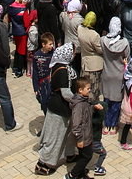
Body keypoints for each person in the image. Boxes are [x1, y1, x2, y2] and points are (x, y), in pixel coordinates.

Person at [35, 44, 77, 175]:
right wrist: (79, 100)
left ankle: (70, 154)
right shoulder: (63, 70)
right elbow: (66, 93)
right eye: (73, 52)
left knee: (68, 134)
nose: (74, 54)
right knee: (55, 136)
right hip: (59, 109)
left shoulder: (59, 66)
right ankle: (44, 163)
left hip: (63, 108)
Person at [101, 16, 130, 135]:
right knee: (116, 102)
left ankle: (106, 125)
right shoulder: (124, 43)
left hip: (106, 74)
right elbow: (127, 57)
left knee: (106, 100)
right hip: (118, 75)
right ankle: (113, 125)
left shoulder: (103, 40)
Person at [67, 76, 96, 179]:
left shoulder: (84, 100)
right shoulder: (79, 106)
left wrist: (93, 106)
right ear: (80, 90)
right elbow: (76, 124)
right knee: (87, 156)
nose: (90, 90)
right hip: (83, 137)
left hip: (87, 134)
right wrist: (79, 139)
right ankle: (72, 175)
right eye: (88, 88)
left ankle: (81, 174)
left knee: (82, 156)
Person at [77, 11, 103, 101]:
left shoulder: (80, 29)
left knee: (84, 86)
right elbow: (100, 50)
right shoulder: (94, 35)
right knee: (94, 89)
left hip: (84, 62)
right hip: (94, 65)